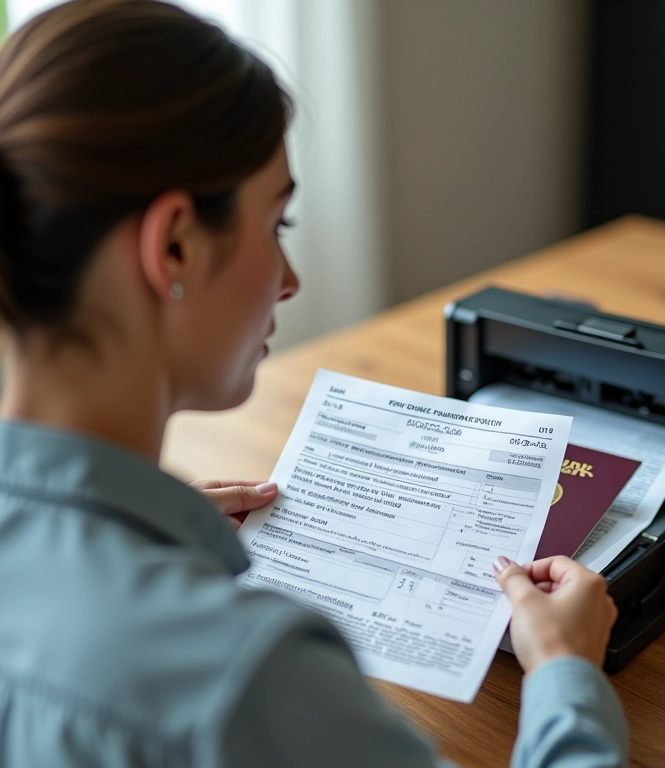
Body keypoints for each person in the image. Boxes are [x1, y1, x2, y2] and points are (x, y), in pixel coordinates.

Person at [0, 1, 628, 766]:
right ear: (173, 247)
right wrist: (565, 673)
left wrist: (145, 534)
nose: (290, 280)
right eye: (276, 227)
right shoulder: (248, 680)